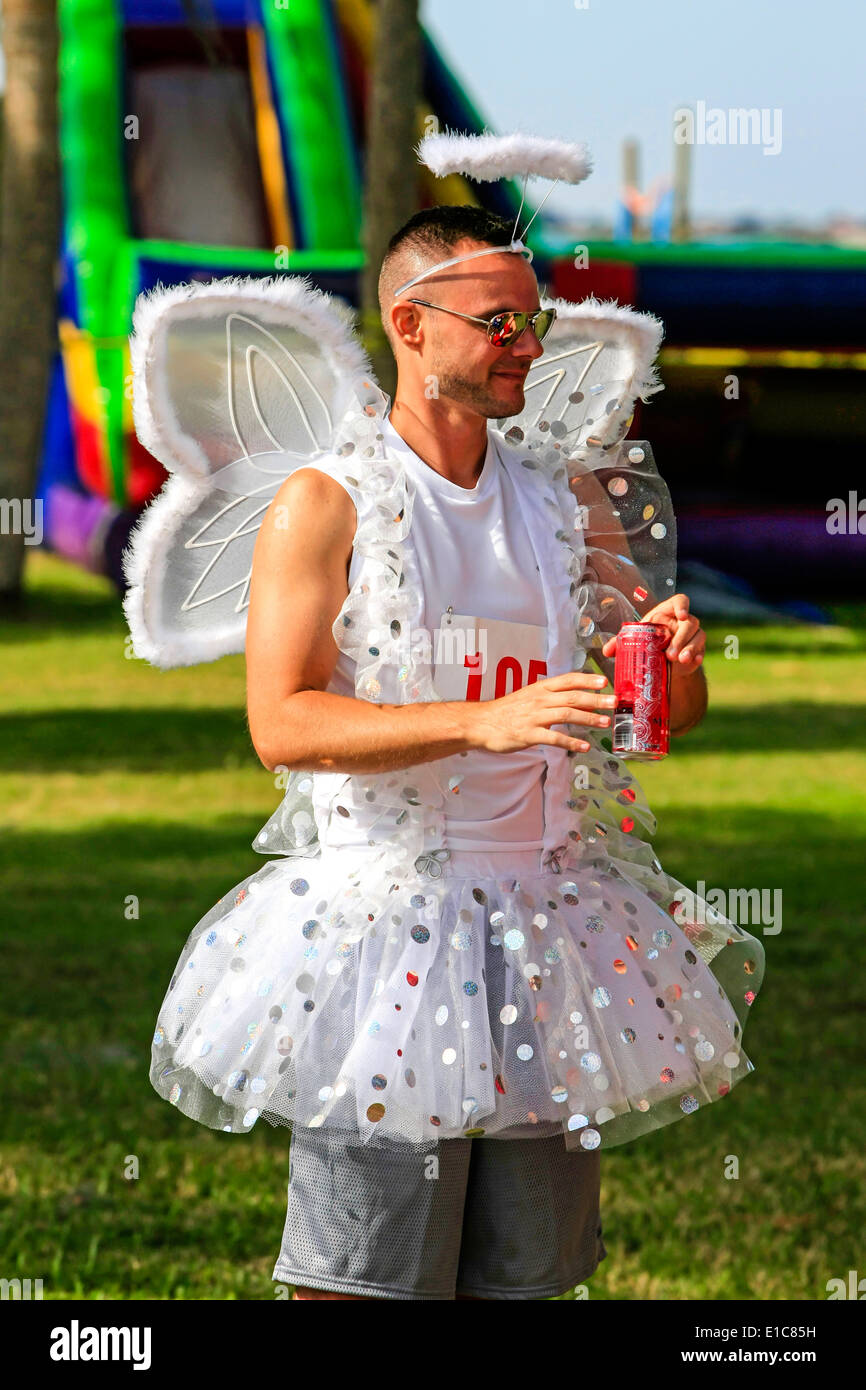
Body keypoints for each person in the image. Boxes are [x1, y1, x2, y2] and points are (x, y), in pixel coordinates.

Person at [243, 205, 710, 1300]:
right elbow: (282, 722)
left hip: (551, 933)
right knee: (361, 1281)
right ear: (410, 324)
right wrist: (476, 721)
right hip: (388, 936)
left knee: (528, 1280)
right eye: (500, 322)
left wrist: (674, 662)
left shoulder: (565, 500)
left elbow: (661, 718)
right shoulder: (325, 502)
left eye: (533, 319)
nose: (530, 347)